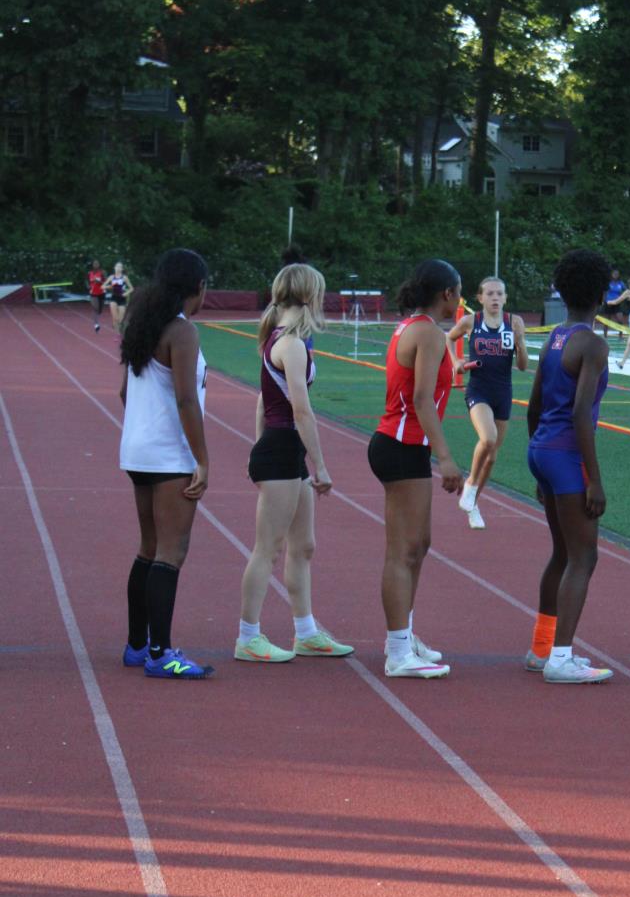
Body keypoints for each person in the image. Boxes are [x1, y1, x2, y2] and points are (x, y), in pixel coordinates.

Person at [236, 263, 354, 664]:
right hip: (284, 449)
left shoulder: (282, 338)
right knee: (268, 549)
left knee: (303, 546)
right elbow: (301, 411)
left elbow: (263, 399)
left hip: (284, 450)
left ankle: (306, 633)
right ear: (308, 296)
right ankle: (248, 636)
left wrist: (259, 445)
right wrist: (320, 466)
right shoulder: (291, 344)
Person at [118, 248, 213, 679]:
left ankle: (138, 645)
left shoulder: (142, 323)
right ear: (199, 287)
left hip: (137, 451)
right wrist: (202, 459)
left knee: (149, 547)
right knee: (171, 552)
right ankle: (160, 653)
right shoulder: (182, 331)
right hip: (169, 454)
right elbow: (186, 399)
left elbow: (125, 392)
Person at [368, 259, 464, 678]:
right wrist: (445, 457)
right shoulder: (426, 331)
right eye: (459, 292)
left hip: (406, 446)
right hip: (401, 445)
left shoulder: (416, 327)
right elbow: (422, 399)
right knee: (403, 550)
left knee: (419, 545)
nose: (461, 301)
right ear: (447, 294)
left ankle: (404, 635)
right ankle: (397, 651)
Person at [525, 249, 614, 685]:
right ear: (602, 295)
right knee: (583, 556)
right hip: (566, 455)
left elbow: (534, 405)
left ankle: (542, 648)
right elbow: (581, 413)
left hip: (543, 449)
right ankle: (560, 658)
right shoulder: (593, 344)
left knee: (562, 553)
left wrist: (539, 461)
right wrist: (593, 479)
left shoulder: (555, 338)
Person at [446, 276, 528, 529]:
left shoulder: (515, 322)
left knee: (491, 457)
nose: (495, 298)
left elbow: (522, 366)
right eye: (490, 294)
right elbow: (449, 338)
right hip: (478, 390)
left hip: (503, 392)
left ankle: (472, 503)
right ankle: (470, 485)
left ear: (505, 298)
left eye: (499, 294)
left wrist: (520, 343)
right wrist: (456, 362)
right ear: (480, 298)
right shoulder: (471, 321)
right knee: (488, 438)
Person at [103, 261, 133, 335]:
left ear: (122, 269)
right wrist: (109, 286)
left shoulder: (124, 278)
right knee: (115, 318)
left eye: (120, 267)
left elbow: (131, 288)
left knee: (121, 319)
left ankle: (119, 327)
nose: (118, 268)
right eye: (117, 266)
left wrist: (126, 293)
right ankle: (117, 334)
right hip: (114, 298)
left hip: (122, 298)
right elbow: (102, 286)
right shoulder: (111, 277)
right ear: (114, 268)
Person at [601, 267, 628, 338]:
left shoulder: (621, 283)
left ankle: (620, 335)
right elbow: (604, 292)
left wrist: (622, 298)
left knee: (620, 320)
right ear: (611, 275)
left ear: (619, 275)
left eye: (617, 274)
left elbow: (626, 291)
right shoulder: (608, 282)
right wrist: (604, 301)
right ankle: (605, 336)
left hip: (617, 303)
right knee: (607, 321)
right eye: (614, 274)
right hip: (608, 303)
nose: (616, 275)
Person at [87, 259, 106, 332]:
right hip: (93, 293)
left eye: (97, 263)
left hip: (101, 292)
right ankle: (96, 324)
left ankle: (97, 319)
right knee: (95, 308)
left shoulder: (102, 273)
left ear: (99, 265)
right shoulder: (89, 273)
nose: (96, 265)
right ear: (92, 265)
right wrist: (88, 286)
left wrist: (99, 281)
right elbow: (86, 281)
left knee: (100, 310)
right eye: (94, 263)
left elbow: (106, 282)